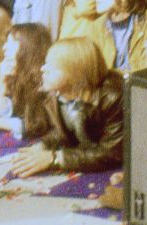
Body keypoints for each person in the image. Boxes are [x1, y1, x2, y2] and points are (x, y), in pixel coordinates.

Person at [10, 36, 124, 177]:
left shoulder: (112, 98)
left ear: (76, 74)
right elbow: (68, 130)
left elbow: (111, 154)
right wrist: (43, 146)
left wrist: (55, 158)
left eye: (53, 66)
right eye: (46, 62)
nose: (43, 69)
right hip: (85, 155)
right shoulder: (58, 92)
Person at [0, 23, 53, 140]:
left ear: (29, 47)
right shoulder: (16, 74)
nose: (5, 47)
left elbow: (37, 125)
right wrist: (3, 82)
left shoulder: (44, 80)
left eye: (12, 42)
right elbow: (5, 113)